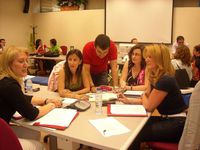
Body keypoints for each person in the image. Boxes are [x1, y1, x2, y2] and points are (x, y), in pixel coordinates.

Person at [118, 44, 187, 149]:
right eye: (147, 56)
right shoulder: (160, 77)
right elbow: (148, 99)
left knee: (134, 133)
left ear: (159, 59)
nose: (146, 59)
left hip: (176, 124)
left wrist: (143, 95)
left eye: (150, 57)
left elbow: (149, 105)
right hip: (169, 119)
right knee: (134, 126)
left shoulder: (165, 80)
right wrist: (129, 100)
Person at [0, 46, 62, 149]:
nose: (26, 65)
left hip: (3, 128)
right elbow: (32, 114)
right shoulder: (10, 85)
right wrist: (51, 105)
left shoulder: (5, 81)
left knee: (34, 132)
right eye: (21, 61)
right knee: (39, 146)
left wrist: (46, 100)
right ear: (9, 64)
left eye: (26, 61)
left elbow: (20, 98)